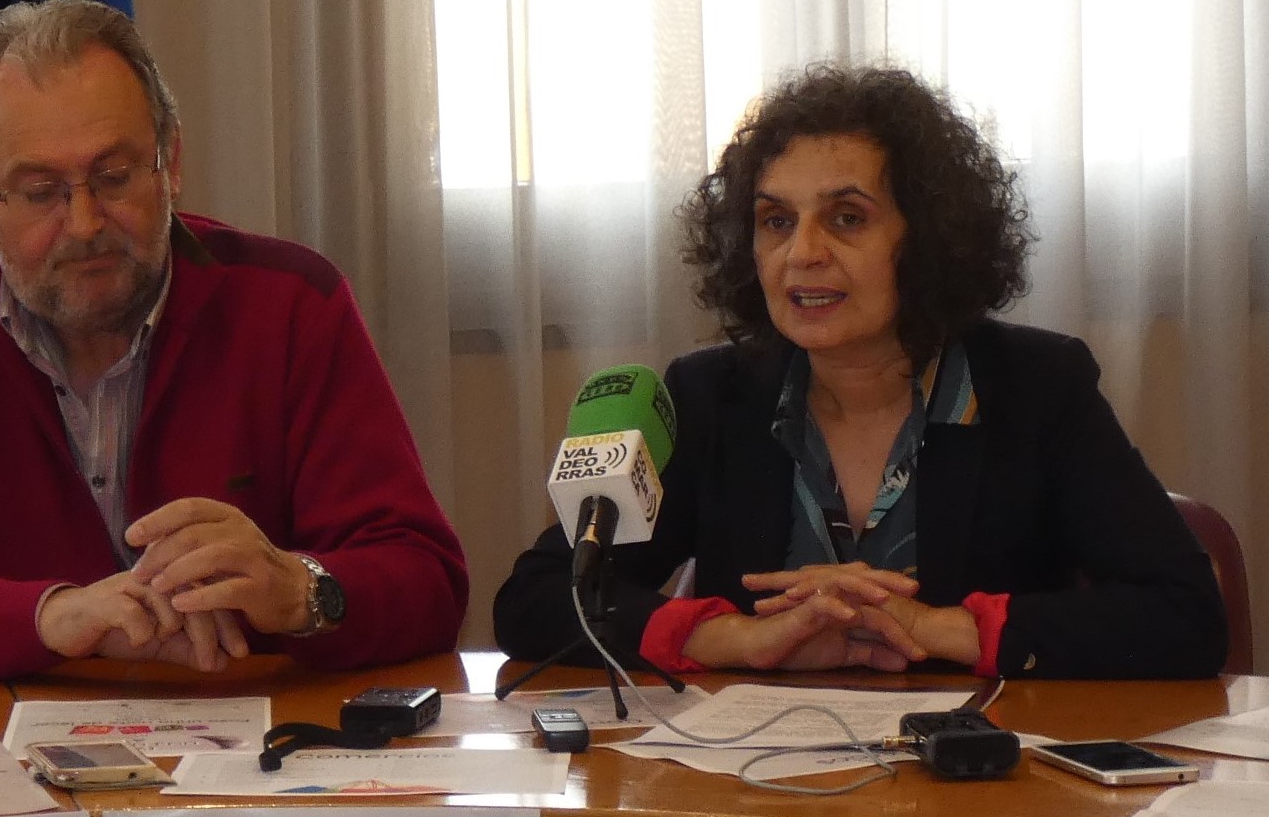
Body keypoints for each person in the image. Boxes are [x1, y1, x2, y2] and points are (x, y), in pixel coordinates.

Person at [0, 0, 464, 681]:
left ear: (170, 162)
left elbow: (428, 578)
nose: (85, 223)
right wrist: (54, 619)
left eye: (113, 177)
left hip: (253, 727)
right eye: (40, 191)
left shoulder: (290, 304)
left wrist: (300, 590)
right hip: (14, 735)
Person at [491, 64, 1225, 681]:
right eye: (776, 221)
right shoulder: (710, 397)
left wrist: (934, 627)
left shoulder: (1037, 388)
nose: (801, 253)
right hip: (753, 782)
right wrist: (732, 637)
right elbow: (537, 596)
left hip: (977, 787)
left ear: (928, 238)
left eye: (846, 218)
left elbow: (1185, 613)